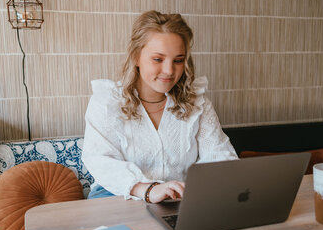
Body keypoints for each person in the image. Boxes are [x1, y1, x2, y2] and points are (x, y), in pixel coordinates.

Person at [82, 10, 238, 203]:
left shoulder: (197, 103)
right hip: (116, 198)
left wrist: (196, 189)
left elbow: (221, 157)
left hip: (177, 201)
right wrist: (148, 190)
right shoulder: (106, 102)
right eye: (158, 59)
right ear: (136, 57)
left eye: (178, 60)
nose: (169, 71)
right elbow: (100, 160)